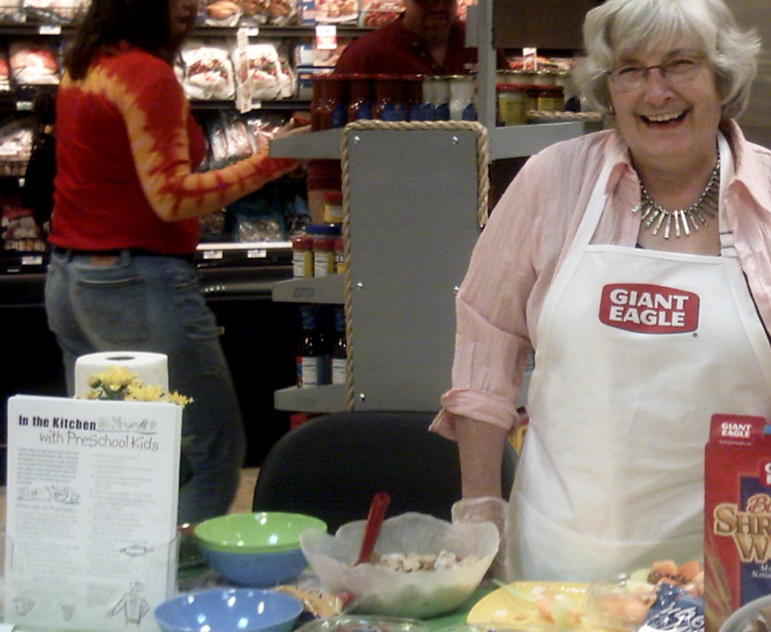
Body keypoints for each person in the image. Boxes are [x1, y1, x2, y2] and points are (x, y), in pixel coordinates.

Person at [433, 0, 771, 582]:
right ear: (607, 88)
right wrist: (480, 513)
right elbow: (485, 347)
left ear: (722, 77)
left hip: (725, 576)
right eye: (631, 70)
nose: (655, 92)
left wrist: (770, 557)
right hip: (554, 571)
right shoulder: (550, 182)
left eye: (680, 64)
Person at [45, 0, 301, 525]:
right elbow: (171, 199)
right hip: (135, 283)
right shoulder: (146, 75)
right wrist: (274, 160)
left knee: (120, 457)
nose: (189, 9)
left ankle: (114, 579)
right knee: (210, 454)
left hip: (71, 277)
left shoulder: (86, 64)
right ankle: (167, 589)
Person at [333, 0, 477, 76]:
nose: (437, 7)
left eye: (446, 0)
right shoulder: (363, 54)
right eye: (426, 1)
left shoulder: (482, 45)